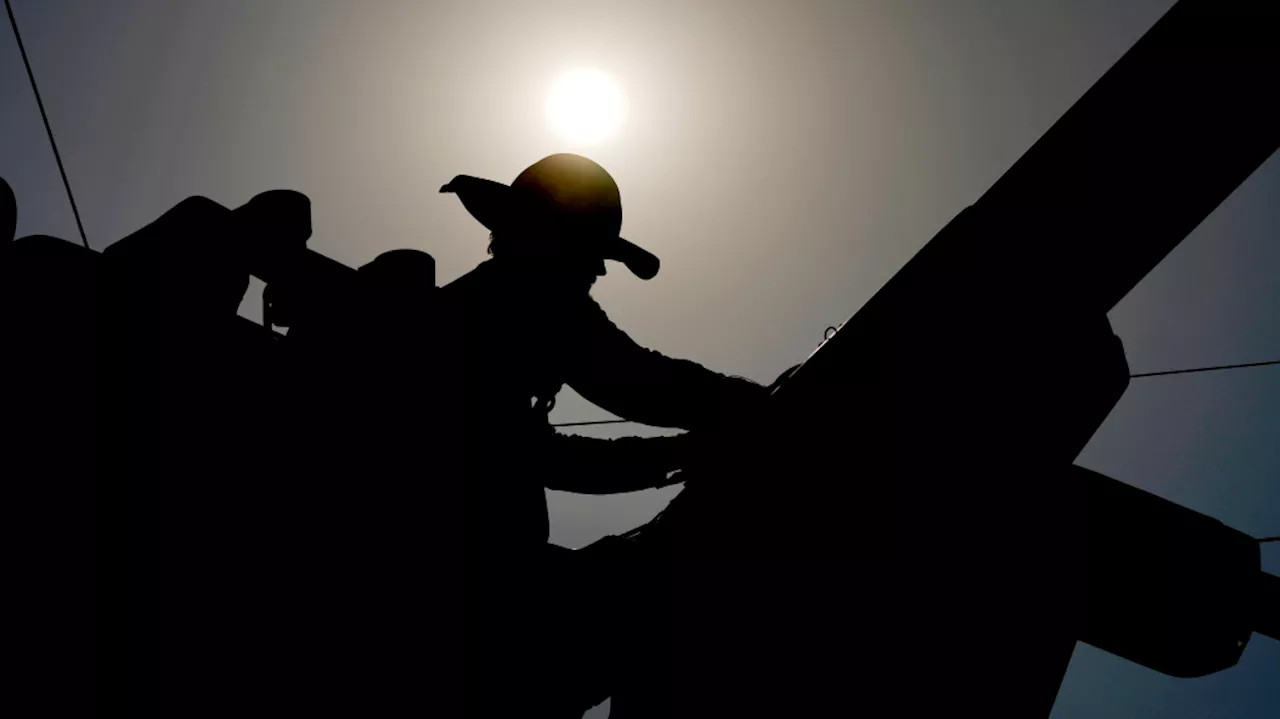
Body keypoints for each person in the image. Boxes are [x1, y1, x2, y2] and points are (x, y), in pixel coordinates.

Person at [437, 153, 769, 715]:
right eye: (589, 254)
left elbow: (632, 385)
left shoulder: (506, 299)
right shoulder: (527, 302)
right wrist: (740, 420)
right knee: (658, 600)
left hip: (495, 580)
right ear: (544, 242)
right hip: (479, 592)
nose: (597, 271)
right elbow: (634, 386)